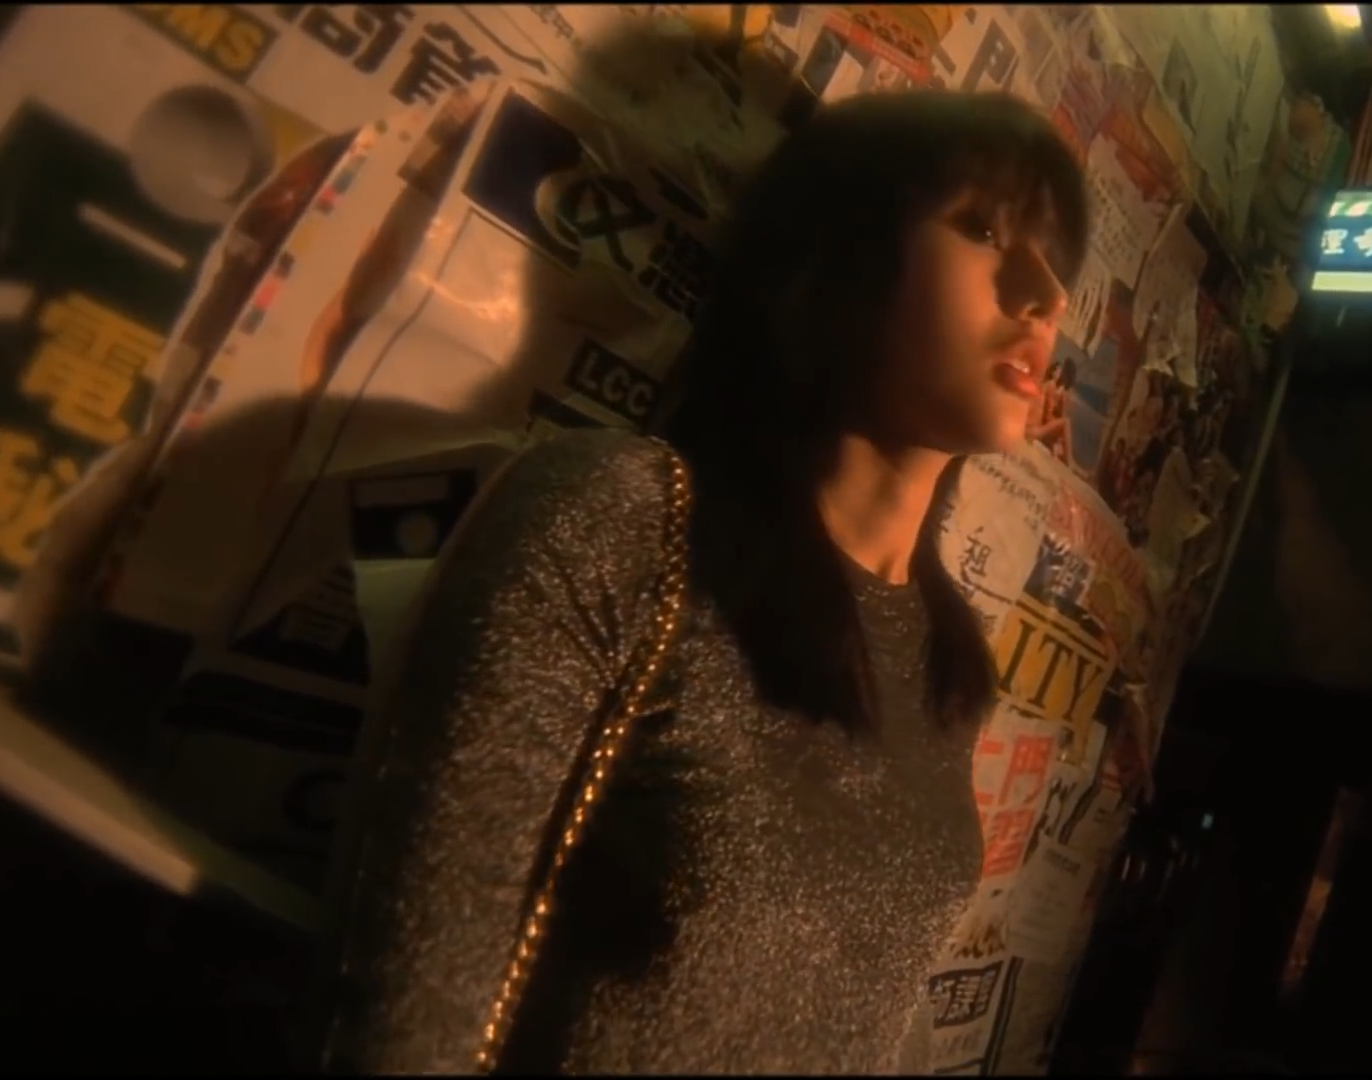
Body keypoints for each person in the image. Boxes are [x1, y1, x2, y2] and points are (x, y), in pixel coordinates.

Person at [310, 87, 1087, 1075]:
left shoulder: (944, 661)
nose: (1046, 295)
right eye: (982, 228)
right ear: (832, 263)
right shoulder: (626, 521)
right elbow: (405, 1012)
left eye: (1054, 261)